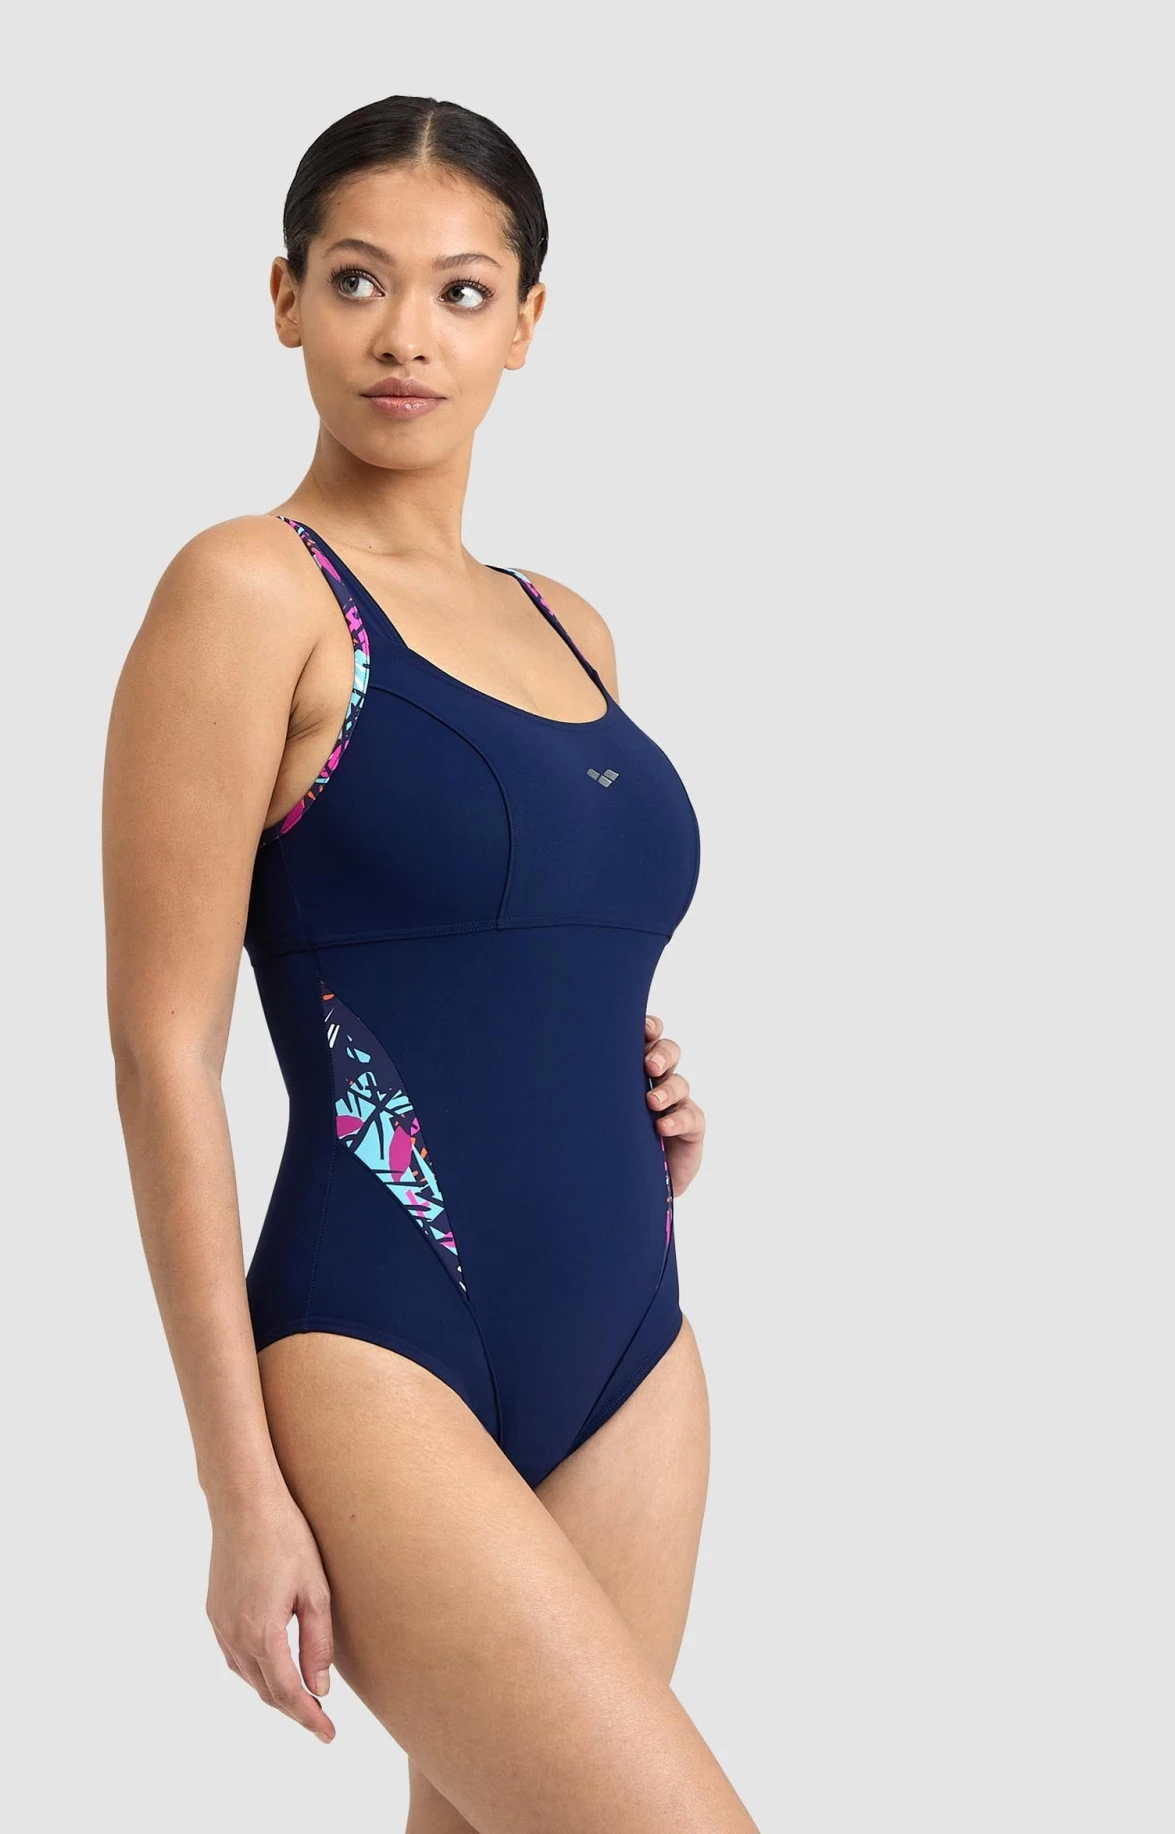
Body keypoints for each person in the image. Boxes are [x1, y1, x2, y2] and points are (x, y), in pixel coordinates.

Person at [103, 94, 758, 1834]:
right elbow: (164, 1053)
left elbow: (532, 952)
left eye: (462, 291)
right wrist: (236, 1486)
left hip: (631, 1342)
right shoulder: (251, 592)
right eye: (359, 279)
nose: (407, 335)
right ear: (286, 298)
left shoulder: (569, 622)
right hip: (384, 1330)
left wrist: (645, 1074)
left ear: (526, 321)